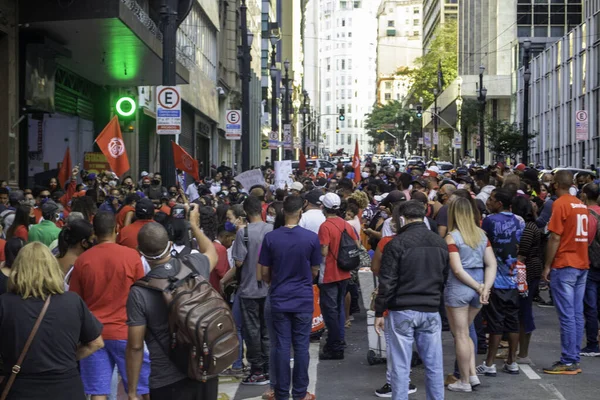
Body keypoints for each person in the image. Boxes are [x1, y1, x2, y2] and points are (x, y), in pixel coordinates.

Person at [126, 206, 218, 400]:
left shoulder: (139, 292)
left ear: (140, 251)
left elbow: (135, 346)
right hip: (204, 369)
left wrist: (133, 390)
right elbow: (211, 251)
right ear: (169, 244)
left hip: (166, 380)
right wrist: (193, 225)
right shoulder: (194, 264)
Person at [0, 242, 104, 399]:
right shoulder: (73, 301)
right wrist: (66, 358)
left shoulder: (4, 303)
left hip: (20, 388)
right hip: (67, 387)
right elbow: (96, 343)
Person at [70, 211, 150, 399]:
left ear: (94, 233)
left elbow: (75, 301)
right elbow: (142, 295)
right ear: (117, 228)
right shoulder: (132, 256)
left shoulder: (82, 261)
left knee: (98, 391)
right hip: (127, 333)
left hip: (94, 335)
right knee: (140, 389)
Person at [374, 201, 449, 400]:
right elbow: (444, 277)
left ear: (402, 219)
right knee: (434, 365)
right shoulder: (440, 242)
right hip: (431, 308)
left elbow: (387, 281)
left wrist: (379, 311)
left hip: (402, 309)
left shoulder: (396, 243)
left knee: (400, 366)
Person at [259, 195, 322, 400]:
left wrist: (276, 282)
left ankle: (281, 392)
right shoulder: (311, 238)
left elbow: (265, 272)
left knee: (281, 346)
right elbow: (315, 270)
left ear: (283, 211)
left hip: (279, 295)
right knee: (302, 346)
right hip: (302, 296)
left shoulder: (271, 238)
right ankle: (300, 392)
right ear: (300, 212)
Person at [444, 197, 497, 392]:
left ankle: (465, 380)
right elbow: (492, 264)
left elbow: (457, 270)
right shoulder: (482, 235)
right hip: (479, 287)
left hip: (459, 289)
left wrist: (478, 287)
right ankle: (472, 374)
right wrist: (485, 287)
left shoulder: (452, 237)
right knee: (466, 333)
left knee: (460, 335)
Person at [542, 170, 591, 374]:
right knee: (577, 313)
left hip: (565, 264)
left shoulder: (560, 204)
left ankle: (568, 360)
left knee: (566, 315)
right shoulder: (581, 205)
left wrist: (547, 265)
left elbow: (555, 237)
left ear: (555, 184)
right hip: (581, 262)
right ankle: (574, 357)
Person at [478, 188, 524, 376]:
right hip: (514, 277)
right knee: (512, 321)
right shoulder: (518, 220)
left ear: (499, 203)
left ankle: (489, 364)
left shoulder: (489, 221)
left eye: (491, 199)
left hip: (495, 278)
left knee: (495, 322)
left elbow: (483, 243)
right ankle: (512, 361)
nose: (488, 201)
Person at [231, 195, 273, 384]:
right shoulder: (272, 230)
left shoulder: (243, 233)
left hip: (249, 288)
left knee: (252, 330)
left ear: (246, 212)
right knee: (267, 329)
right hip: (268, 287)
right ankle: (269, 366)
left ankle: (257, 370)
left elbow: (239, 261)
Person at [317, 192, 359, 360]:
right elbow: (356, 244)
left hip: (329, 274)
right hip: (344, 271)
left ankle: (334, 345)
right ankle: (339, 340)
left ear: (324, 208)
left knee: (330, 311)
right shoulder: (345, 224)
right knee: (339, 308)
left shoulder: (325, 226)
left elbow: (324, 251)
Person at [511, 196, 542, 364]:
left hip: (527, 271)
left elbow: (522, 253)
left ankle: (522, 353)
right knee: (522, 310)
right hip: (531, 269)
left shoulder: (528, 228)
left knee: (524, 311)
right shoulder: (531, 226)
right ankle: (516, 351)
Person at [581, 183, 600, 356]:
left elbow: (585, 241)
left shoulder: (587, 215)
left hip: (592, 264)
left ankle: (593, 343)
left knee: (591, 306)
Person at [56, 219, 94, 290]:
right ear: (84, 243)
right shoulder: (80, 266)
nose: (94, 242)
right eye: (92, 240)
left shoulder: (54, 257)